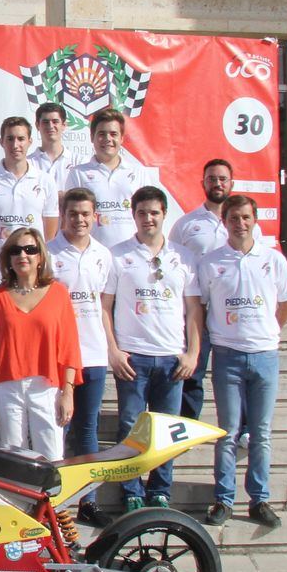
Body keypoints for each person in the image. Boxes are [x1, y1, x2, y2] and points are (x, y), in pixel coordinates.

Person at [197, 194, 287, 529]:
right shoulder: (210, 263)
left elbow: (286, 303)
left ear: (255, 220)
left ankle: (260, 499)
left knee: (261, 433)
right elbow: (204, 306)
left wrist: (268, 331)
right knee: (228, 432)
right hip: (228, 356)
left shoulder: (273, 260)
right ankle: (223, 499)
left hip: (265, 355)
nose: (240, 224)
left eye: (246, 218)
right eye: (234, 218)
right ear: (225, 222)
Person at [101, 186, 200, 513]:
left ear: (163, 214)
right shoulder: (117, 255)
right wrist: (113, 351)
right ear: (134, 215)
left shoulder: (183, 257)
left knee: (166, 430)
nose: (148, 219)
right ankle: (131, 489)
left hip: (172, 358)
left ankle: (160, 489)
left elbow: (194, 310)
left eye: (154, 212)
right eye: (142, 212)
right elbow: (105, 306)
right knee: (130, 426)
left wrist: (192, 353)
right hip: (133, 356)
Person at [0, 229, 79, 460]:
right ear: (8, 259)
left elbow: (70, 346)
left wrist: (68, 392)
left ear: (40, 257)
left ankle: (51, 499)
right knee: (12, 460)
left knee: (52, 456)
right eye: (15, 250)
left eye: (30, 249)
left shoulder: (58, 294)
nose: (23, 255)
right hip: (6, 387)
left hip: (46, 386)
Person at [48, 187, 112, 525]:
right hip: (59, 358)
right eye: (73, 213)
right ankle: (55, 504)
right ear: (63, 215)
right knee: (57, 429)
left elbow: (103, 306)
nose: (80, 219)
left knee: (87, 429)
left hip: (94, 355)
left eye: (86, 213)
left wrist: (112, 349)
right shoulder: (48, 253)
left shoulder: (104, 254)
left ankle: (89, 500)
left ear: (95, 216)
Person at [167, 158, 236, 420]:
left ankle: (239, 428)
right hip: (198, 312)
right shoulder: (187, 224)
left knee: (234, 374)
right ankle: (186, 426)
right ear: (203, 183)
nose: (217, 184)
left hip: (233, 311)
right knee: (192, 374)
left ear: (231, 183)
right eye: (212, 179)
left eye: (222, 179)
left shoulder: (242, 221)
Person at [0, 116, 59, 289]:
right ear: (1, 142)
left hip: (32, 278)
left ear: (30, 142)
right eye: (10, 139)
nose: (15, 144)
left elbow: (48, 237)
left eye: (21, 139)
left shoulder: (45, 181)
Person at [66, 108, 161, 250]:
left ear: (122, 138)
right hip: (92, 254)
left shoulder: (138, 172)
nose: (108, 139)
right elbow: (70, 218)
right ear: (92, 137)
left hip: (131, 254)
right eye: (102, 134)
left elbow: (150, 213)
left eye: (113, 134)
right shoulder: (78, 173)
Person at [31, 102, 79, 190]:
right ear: (37, 125)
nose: (50, 126)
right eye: (45, 122)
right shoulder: (28, 163)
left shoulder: (79, 162)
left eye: (55, 121)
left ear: (64, 125)